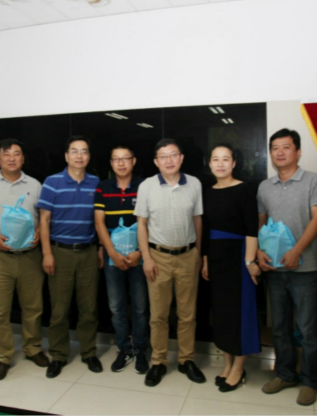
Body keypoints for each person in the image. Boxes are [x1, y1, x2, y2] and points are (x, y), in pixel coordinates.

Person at [256, 129, 317, 406]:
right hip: (275, 271)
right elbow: (261, 223)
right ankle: (285, 374)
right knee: (280, 328)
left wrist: (297, 251)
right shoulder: (265, 187)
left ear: (298, 152)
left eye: (286, 147)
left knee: (308, 330)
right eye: (275, 148)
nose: (280, 152)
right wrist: (259, 252)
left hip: (306, 270)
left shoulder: (314, 181)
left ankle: (310, 381)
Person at [0, 139, 47, 381]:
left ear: (23, 158)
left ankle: (33, 348)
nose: (12, 158)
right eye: (7, 154)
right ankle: (3, 356)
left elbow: (44, 217)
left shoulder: (35, 185)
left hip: (29, 257)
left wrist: (39, 233)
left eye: (17, 153)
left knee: (33, 307)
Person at [134, 138, 205, 387]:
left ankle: (186, 360)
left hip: (188, 256)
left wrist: (198, 253)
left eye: (173, 155)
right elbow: (141, 224)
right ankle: (159, 361)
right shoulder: (146, 186)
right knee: (159, 315)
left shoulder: (194, 183)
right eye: (163, 156)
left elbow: (197, 220)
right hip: (158, 258)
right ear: (156, 162)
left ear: (181, 158)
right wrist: (146, 258)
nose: (169, 160)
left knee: (187, 315)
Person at [38, 135, 103, 379]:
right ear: (66, 156)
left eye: (84, 151)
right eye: (74, 151)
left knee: (89, 309)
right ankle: (58, 355)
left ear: (89, 156)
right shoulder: (52, 182)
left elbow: (99, 220)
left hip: (87, 252)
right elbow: (44, 220)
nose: (79, 156)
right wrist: (47, 253)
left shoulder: (95, 182)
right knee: (59, 309)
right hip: (60, 252)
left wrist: (99, 247)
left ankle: (89, 352)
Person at [201, 144, 261, 393]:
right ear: (209, 163)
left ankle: (239, 367)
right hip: (216, 259)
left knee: (240, 313)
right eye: (216, 159)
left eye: (225, 159)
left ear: (234, 163)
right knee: (222, 314)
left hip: (239, 258)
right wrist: (205, 260)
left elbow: (251, 228)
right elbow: (205, 229)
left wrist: (250, 262)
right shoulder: (207, 192)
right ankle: (227, 364)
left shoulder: (244, 189)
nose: (220, 164)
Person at [94, 145, 149, 374]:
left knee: (140, 307)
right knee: (116, 307)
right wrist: (112, 253)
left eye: (126, 158)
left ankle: (141, 350)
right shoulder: (103, 187)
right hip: (112, 256)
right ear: (111, 163)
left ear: (133, 161)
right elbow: (99, 222)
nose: (121, 163)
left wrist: (140, 252)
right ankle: (124, 349)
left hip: (139, 254)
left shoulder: (145, 186)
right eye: (116, 159)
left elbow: (151, 221)